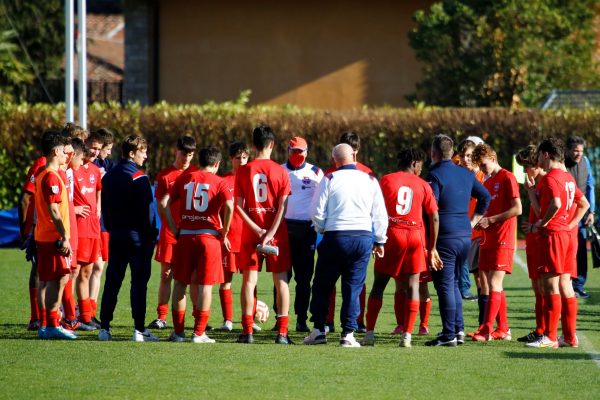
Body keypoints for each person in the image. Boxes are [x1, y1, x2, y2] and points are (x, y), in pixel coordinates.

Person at [304, 143, 388, 347]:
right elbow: (379, 214)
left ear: (334, 160)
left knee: (323, 284)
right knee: (353, 286)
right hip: (362, 238)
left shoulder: (330, 178)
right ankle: (348, 334)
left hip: (336, 236)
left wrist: (322, 228)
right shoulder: (369, 179)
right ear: (354, 155)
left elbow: (316, 211)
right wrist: (380, 240)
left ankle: (318, 330)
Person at [362, 148, 441, 347]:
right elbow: (434, 216)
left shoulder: (386, 180)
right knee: (414, 286)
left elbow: (374, 209)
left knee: (378, 286)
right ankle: (407, 335)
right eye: (420, 165)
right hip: (414, 236)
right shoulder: (422, 184)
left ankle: (369, 333)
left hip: (392, 234)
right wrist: (432, 247)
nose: (421, 169)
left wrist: (375, 238)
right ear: (414, 163)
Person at [163, 146, 233, 343]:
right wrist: (225, 231)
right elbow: (229, 206)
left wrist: (173, 227)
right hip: (208, 238)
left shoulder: (185, 178)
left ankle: (178, 332)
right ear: (217, 164)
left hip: (185, 236)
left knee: (180, 283)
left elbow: (163, 202)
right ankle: (199, 332)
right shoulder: (220, 182)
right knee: (205, 285)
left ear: (200, 161)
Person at [425, 134, 490, 347]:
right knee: (453, 283)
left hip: (445, 236)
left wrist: (431, 243)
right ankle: (458, 330)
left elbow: (432, 208)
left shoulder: (434, 175)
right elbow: (485, 197)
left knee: (445, 285)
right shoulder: (465, 173)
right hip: (464, 235)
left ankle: (448, 334)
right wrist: (473, 220)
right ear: (453, 153)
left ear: (433, 153)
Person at [525, 138, 589, 349]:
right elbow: (584, 203)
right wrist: (570, 225)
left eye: (539, 158)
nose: (538, 163)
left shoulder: (552, 178)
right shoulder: (568, 177)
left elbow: (556, 204)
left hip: (553, 236)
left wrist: (542, 224)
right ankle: (569, 337)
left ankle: (550, 336)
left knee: (549, 285)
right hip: (566, 237)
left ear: (545, 154)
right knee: (565, 285)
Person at [234, 124, 293, 344]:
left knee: (249, 282)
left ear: (253, 144)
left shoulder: (244, 170)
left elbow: (238, 206)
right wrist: (270, 232)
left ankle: (247, 332)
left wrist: (257, 229)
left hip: (251, 234)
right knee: (282, 282)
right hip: (276, 234)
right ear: (272, 144)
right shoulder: (280, 171)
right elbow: (282, 208)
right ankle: (283, 334)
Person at [98, 135, 159, 342]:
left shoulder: (108, 176)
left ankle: (104, 328)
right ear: (132, 153)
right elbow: (148, 212)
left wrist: (112, 228)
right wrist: (152, 235)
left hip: (116, 236)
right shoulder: (139, 177)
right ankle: (139, 329)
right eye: (143, 152)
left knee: (112, 282)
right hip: (138, 239)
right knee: (138, 283)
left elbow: (103, 208)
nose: (146, 155)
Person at [470, 144, 522, 342]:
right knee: (493, 285)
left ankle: (486, 330)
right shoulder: (489, 182)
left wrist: (491, 220)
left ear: (493, 157)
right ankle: (504, 329)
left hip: (503, 238)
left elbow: (517, 209)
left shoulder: (507, 177)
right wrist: (480, 223)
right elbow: (487, 211)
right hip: (488, 238)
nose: (482, 170)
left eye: (483, 165)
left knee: (494, 283)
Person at [323, 131, 373, 333]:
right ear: (356, 151)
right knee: (356, 281)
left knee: (330, 280)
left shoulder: (331, 173)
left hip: (335, 233)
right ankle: (356, 323)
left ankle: (328, 321)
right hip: (361, 234)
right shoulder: (368, 173)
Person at [148, 135, 197, 330]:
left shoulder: (195, 173)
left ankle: (196, 318)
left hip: (190, 232)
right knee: (166, 275)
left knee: (192, 277)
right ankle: (162, 316)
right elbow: (160, 206)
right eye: (183, 153)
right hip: (170, 232)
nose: (186, 158)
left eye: (190, 154)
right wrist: (172, 227)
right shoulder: (165, 175)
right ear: (176, 151)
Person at [34, 130, 76, 340]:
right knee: (57, 279)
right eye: (62, 151)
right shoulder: (50, 176)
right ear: (54, 151)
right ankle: (51, 325)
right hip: (53, 237)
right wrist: (65, 236)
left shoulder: (42, 172)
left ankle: (48, 323)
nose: (66, 154)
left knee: (56, 278)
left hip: (45, 235)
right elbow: (53, 209)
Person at [278, 136, 323, 332]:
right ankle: (280, 319)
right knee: (281, 277)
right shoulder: (279, 170)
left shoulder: (315, 172)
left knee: (304, 279)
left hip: (306, 230)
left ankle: (301, 318)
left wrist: (318, 223)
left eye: (301, 151)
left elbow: (322, 198)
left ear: (307, 152)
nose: (297, 155)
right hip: (284, 228)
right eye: (294, 151)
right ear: (288, 151)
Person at [215, 141, 250, 331]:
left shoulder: (253, 180)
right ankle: (227, 320)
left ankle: (249, 319)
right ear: (231, 160)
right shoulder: (224, 181)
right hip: (229, 240)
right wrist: (224, 235)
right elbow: (217, 212)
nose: (242, 161)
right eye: (238, 158)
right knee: (225, 282)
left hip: (247, 240)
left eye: (245, 157)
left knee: (249, 281)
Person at [70, 137, 103, 331]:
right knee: (74, 272)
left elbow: (98, 190)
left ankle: (85, 316)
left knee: (87, 271)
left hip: (92, 228)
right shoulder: (71, 171)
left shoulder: (95, 170)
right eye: (92, 148)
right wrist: (73, 209)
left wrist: (98, 208)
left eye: (99, 149)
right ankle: (69, 315)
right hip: (78, 228)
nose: (95, 153)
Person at [515, 145, 548, 343]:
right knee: (537, 288)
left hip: (543, 240)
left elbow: (545, 212)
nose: (524, 172)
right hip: (533, 240)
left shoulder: (547, 182)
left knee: (545, 288)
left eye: (526, 167)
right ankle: (540, 329)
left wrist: (530, 192)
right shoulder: (538, 183)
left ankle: (547, 331)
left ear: (536, 165)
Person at [91, 127, 116, 324]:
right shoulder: (88, 165)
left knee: (99, 266)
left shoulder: (110, 165)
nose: (107, 153)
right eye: (106, 149)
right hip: (90, 222)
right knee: (86, 267)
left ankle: (90, 311)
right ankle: (80, 311)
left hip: (104, 222)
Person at [565, 136, 595, 299]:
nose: (578, 154)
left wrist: (591, 211)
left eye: (581, 151)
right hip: (565, 213)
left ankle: (579, 285)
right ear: (568, 150)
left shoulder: (586, 162)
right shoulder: (561, 163)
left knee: (581, 250)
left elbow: (590, 185)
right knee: (567, 249)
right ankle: (567, 282)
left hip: (581, 212)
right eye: (576, 150)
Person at [456, 137, 485, 303]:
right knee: (477, 276)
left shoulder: (483, 175)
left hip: (482, 230)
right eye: (463, 156)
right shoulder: (458, 175)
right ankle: (485, 319)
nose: (466, 160)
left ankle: (494, 322)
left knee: (486, 278)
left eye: (469, 156)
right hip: (466, 230)